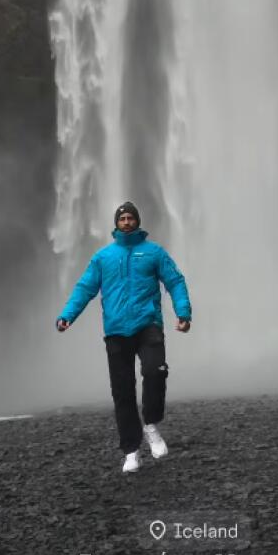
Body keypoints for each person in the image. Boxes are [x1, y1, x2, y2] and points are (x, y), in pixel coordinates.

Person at [56, 201, 192, 474]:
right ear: (116, 223)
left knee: (155, 372)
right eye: (123, 218)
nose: (127, 222)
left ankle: (151, 424)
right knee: (122, 391)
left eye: (131, 217)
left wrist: (183, 312)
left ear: (138, 222)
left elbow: (175, 281)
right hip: (116, 330)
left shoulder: (154, 252)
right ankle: (131, 451)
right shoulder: (103, 257)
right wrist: (67, 315)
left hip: (148, 324)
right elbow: (85, 288)